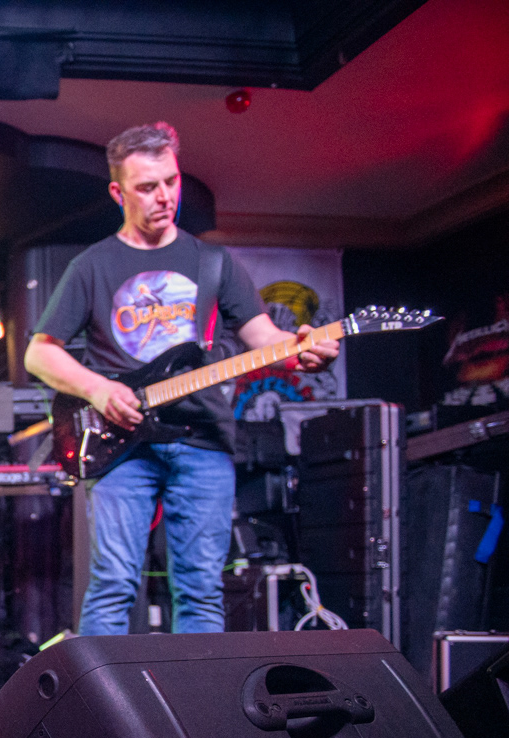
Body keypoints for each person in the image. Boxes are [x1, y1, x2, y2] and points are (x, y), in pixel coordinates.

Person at [23, 122, 340, 635]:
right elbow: (40, 354)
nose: (165, 196)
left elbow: (261, 336)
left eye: (171, 181)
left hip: (204, 439)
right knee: (112, 584)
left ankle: (197, 690)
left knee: (201, 589)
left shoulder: (212, 261)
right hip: (120, 443)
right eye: (147, 187)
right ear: (118, 193)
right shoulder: (92, 265)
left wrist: (301, 351)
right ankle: (100, 691)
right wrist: (98, 389)